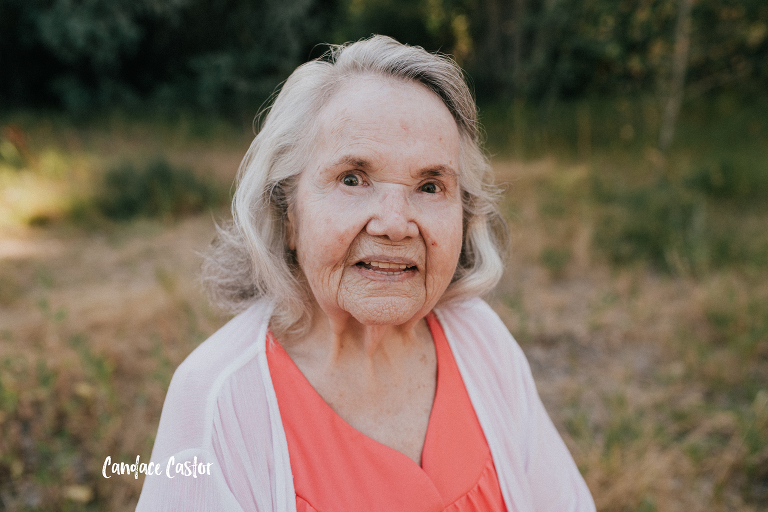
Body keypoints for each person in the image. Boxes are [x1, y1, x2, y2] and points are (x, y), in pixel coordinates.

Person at [136, 35, 595, 511]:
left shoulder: (480, 339)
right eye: (352, 179)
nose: (395, 224)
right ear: (287, 214)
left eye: (430, 186)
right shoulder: (217, 399)